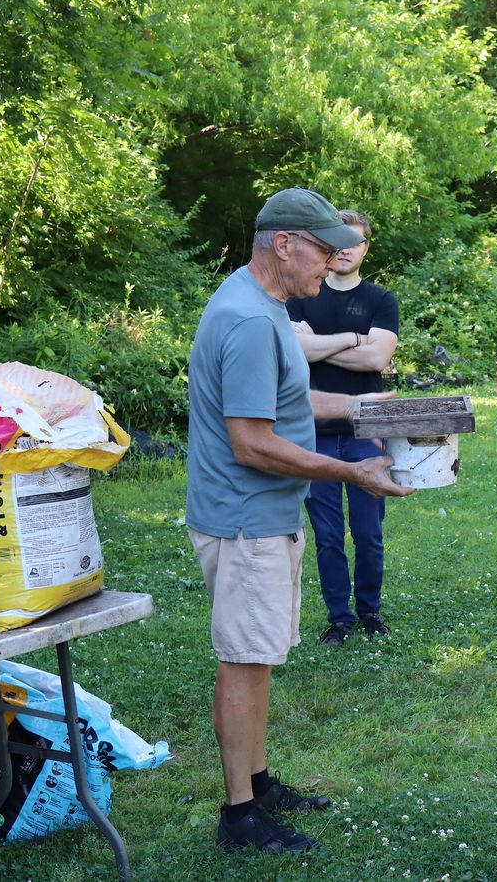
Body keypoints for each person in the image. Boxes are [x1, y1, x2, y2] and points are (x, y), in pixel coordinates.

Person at [186, 187, 412, 855]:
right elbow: (252, 442)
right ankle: (240, 817)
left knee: (256, 658)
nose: (332, 261)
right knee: (244, 661)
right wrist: (351, 471)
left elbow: (289, 399)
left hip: (261, 515)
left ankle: (256, 785)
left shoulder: (261, 304)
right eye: (322, 250)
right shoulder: (251, 321)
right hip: (245, 518)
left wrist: (368, 410)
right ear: (283, 244)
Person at [287, 210, 400, 647]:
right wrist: (355, 339)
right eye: (340, 240)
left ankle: (370, 611)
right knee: (328, 534)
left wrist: (316, 345)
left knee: (368, 532)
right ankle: (340, 618)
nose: (347, 249)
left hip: (367, 433)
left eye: (357, 242)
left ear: (366, 248)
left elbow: (377, 359)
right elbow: (293, 350)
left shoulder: (380, 300)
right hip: (313, 432)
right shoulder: (303, 295)